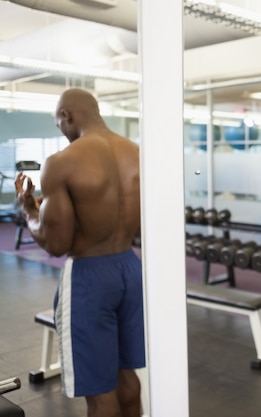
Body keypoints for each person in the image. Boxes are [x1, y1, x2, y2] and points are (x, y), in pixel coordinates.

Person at [14, 88, 144, 417]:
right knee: (127, 379)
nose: (62, 131)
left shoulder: (62, 163)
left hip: (90, 276)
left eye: (59, 124)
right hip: (130, 267)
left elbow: (56, 244)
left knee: (99, 393)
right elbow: (140, 225)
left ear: (67, 116)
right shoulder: (137, 153)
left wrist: (29, 211)